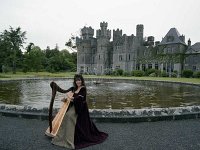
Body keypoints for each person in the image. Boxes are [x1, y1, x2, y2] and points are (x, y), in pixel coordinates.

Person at [47, 74, 108, 149]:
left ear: (82, 80)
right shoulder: (73, 88)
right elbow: (69, 99)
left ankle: (69, 138)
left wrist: (69, 96)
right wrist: (65, 99)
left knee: (69, 116)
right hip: (73, 106)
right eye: (76, 80)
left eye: (79, 80)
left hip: (80, 108)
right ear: (75, 81)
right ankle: (62, 135)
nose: (78, 82)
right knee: (66, 115)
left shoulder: (83, 89)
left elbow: (78, 100)